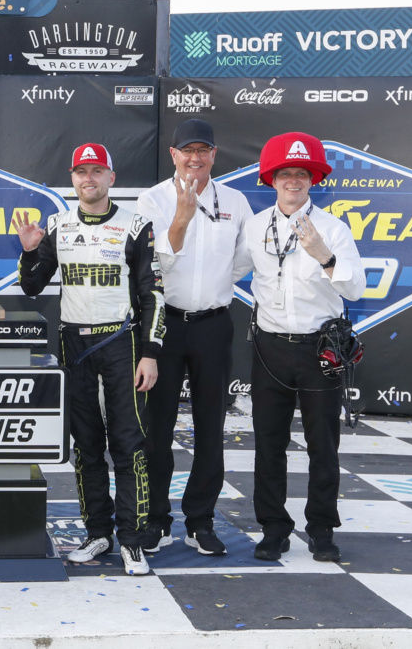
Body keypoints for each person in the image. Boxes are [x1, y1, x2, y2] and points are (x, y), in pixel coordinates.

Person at [14, 143, 165, 576]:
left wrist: (150, 352)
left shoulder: (136, 225)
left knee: (129, 443)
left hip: (122, 343)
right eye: (82, 171)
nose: (89, 178)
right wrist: (30, 251)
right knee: (86, 445)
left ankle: (132, 540)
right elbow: (31, 286)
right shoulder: (57, 225)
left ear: (111, 178)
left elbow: (153, 294)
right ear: (73, 178)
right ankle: (98, 532)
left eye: (97, 171)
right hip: (73, 344)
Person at [234, 132, 366, 563]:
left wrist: (324, 255)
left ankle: (322, 529)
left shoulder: (333, 229)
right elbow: (229, 270)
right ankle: (273, 529)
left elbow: (356, 288)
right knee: (268, 444)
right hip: (269, 347)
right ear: (272, 180)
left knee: (322, 446)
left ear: (313, 180)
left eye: (302, 174)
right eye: (285, 173)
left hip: (318, 351)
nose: (293, 180)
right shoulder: (255, 226)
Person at [136, 119, 253, 556]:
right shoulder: (153, 199)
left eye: (203, 150)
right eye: (188, 150)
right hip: (164, 323)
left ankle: (200, 521)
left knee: (210, 426)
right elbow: (156, 263)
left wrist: (215, 286)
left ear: (214, 155)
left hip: (213, 323)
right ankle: (156, 519)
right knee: (157, 427)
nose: (195, 158)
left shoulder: (235, 201)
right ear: (173, 154)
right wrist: (181, 219)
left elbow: (242, 260)